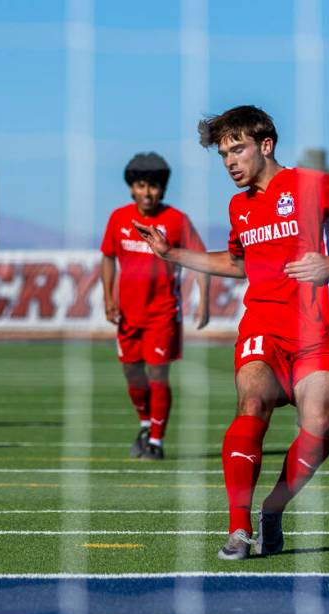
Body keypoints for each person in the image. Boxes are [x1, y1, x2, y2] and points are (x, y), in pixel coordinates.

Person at [134, 106, 329, 559]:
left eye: (238, 150)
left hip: (317, 334)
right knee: (251, 404)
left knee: (319, 426)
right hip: (263, 330)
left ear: (265, 145)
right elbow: (237, 262)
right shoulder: (240, 206)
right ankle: (238, 528)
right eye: (223, 155)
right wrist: (171, 253)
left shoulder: (313, 186)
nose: (230, 162)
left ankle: (274, 509)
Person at [101, 152, 210, 460]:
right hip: (127, 315)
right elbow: (108, 257)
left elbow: (201, 259)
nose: (147, 192)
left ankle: (158, 442)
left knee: (158, 374)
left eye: (153, 187)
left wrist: (203, 300)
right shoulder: (119, 218)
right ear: (131, 188)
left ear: (163, 189)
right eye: (141, 186)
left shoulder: (176, 221)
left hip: (162, 312)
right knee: (132, 374)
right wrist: (109, 298)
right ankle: (146, 426)